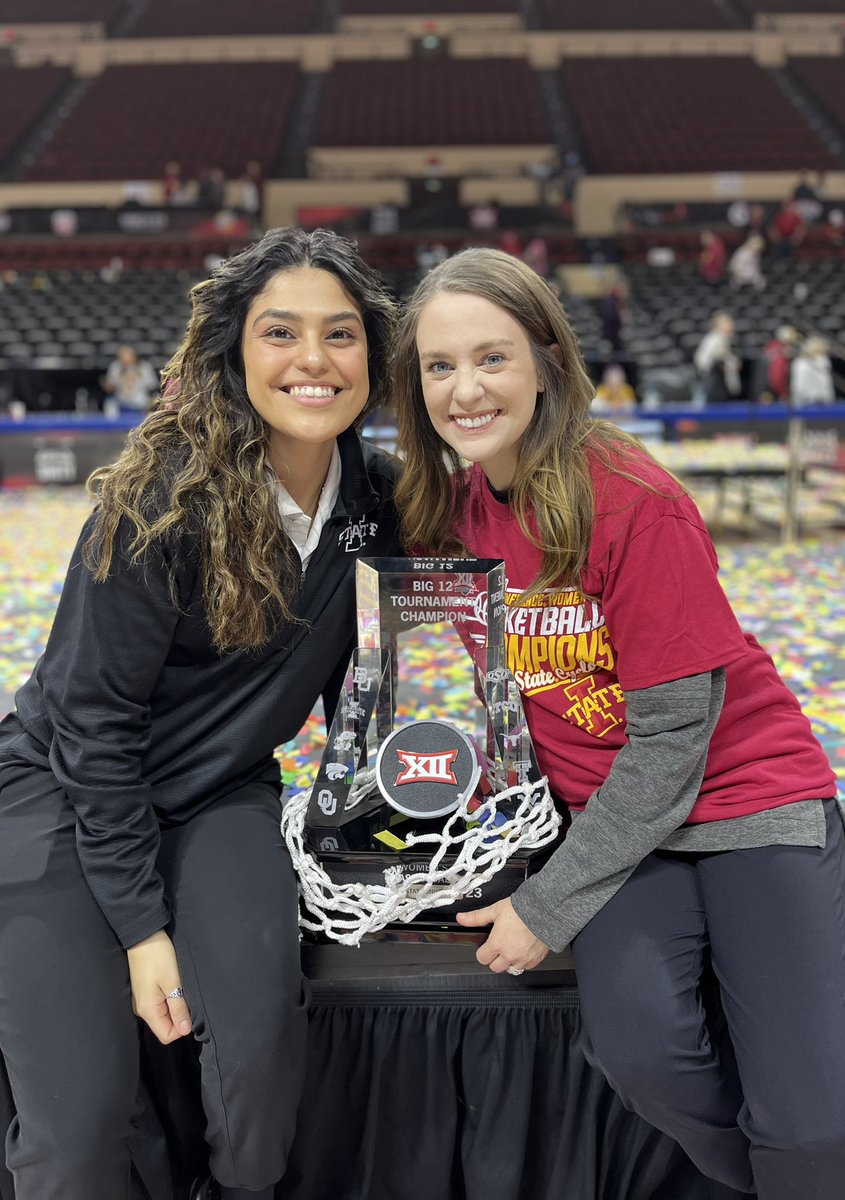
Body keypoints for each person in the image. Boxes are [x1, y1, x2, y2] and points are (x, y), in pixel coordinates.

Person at [390, 246, 845, 1200]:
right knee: (643, 1059)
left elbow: (677, 742)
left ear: (549, 358)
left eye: (491, 357)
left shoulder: (632, 501)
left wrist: (545, 906)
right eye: (439, 366)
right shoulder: (451, 506)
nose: (464, 388)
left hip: (747, 801)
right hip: (619, 828)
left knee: (812, 1122)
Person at [0, 227, 401, 1200]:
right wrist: (143, 931)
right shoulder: (157, 502)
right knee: (81, 1133)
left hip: (220, 795)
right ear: (232, 353)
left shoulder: (379, 503)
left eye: (340, 335)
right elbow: (93, 733)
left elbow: (390, 669)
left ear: (372, 360)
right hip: (63, 794)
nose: (313, 359)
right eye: (280, 333)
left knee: (260, 1065)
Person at [694, 311, 741, 404]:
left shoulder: (725, 339)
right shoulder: (713, 339)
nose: (731, 326)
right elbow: (702, 361)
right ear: (719, 325)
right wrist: (719, 364)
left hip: (723, 383)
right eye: (727, 323)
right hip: (715, 384)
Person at [102, 343, 159, 415]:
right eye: (122, 355)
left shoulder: (144, 367)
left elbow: (152, 385)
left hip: (140, 405)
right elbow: (110, 386)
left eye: (127, 355)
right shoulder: (116, 367)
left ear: (134, 355)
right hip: (121, 405)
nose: (124, 358)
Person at [791, 334, 836, 405]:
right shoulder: (800, 363)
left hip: (821, 400)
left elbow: (826, 384)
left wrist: (829, 400)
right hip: (805, 401)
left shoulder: (823, 361)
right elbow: (798, 384)